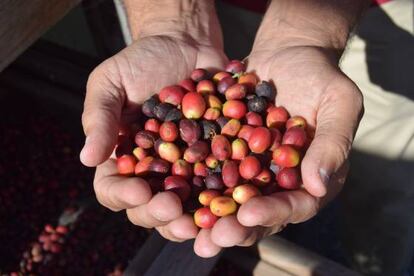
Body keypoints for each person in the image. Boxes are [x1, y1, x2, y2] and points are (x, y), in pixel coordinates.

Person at [80, 0, 414, 274]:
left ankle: (372, 263)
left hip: (370, 16)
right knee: (290, 191)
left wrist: (307, 34)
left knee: (379, 181)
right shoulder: (207, 135)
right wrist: (172, 21)